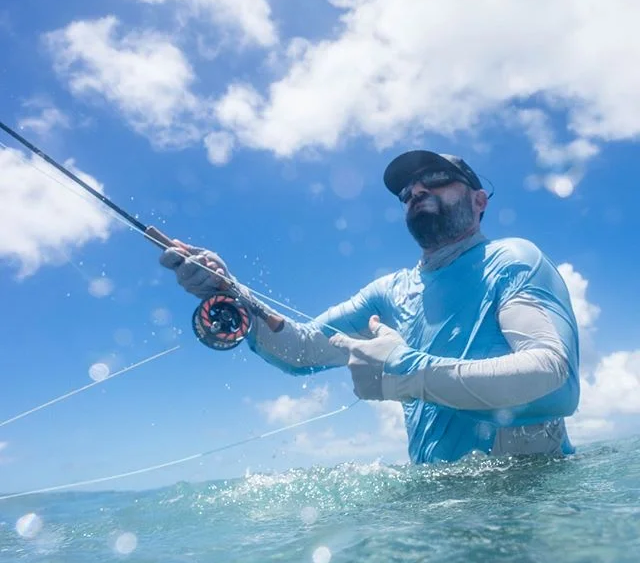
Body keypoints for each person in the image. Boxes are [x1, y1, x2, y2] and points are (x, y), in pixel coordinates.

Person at [160, 150, 580, 462]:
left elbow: (553, 377)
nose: (417, 190)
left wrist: (407, 372)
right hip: (439, 504)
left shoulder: (513, 260)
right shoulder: (387, 293)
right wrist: (234, 294)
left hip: (534, 493)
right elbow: (302, 353)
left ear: (479, 200)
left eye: (435, 178)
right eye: (407, 191)